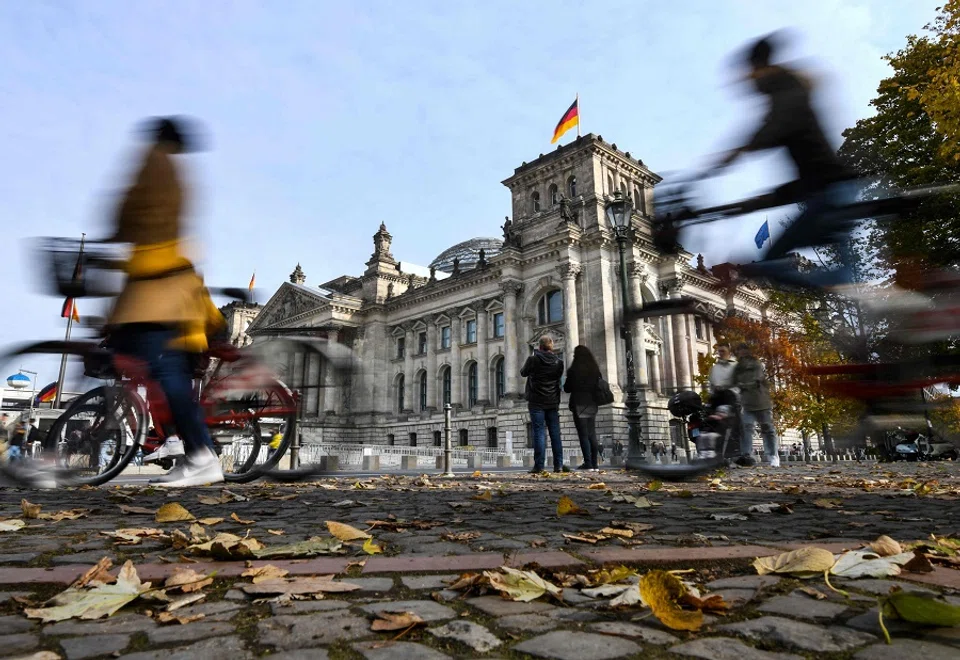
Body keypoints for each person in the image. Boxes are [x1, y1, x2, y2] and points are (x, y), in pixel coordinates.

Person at [104, 116, 226, 488]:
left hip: (162, 297)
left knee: (167, 374)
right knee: (154, 371)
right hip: (153, 291)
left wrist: (113, 235)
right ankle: (189, 452)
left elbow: (133, 211)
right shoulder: (165, 166)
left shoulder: (156, 164)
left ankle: (199, 454)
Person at [709, 34, 857, 288]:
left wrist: (733, 154)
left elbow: (774, 128)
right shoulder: (789, 95)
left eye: (751, 71)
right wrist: (757, 202)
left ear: (761, 67)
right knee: (773, 264)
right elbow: (806, 177)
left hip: (829, 194)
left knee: (771, 265)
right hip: (826, 192)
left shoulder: (789, 96)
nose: (748, 80)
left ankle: (844, 285)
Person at [521, 336, 566, 473]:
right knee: (555, 434)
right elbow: (558, 380)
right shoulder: (559, 362)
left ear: (539, 346)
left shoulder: (533, 359)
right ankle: (558, 465)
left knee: (539, 433)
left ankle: (539, 466)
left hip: (536, 401)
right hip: (552, 401)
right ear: (551, 347)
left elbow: (523, 373)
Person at [733, 342, 780, 467]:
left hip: (762, 401)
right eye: (739, 350)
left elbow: (757, 379)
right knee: (746, 428)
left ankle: (773, 455)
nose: (741, 353)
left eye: (743, 350)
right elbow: (734, 381)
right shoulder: (737, 368)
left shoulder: (756, 364)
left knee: (767, 428)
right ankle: (747, 455)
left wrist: (743, 385)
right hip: (747, 403)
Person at [563, 345, 601, 471]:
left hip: (578, 403)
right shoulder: (595, 369)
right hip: (592, 403)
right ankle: (595, 464)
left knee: (583, 435)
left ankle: (588, 463)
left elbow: (567, 388)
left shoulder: (574, 370)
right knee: (592, 434)